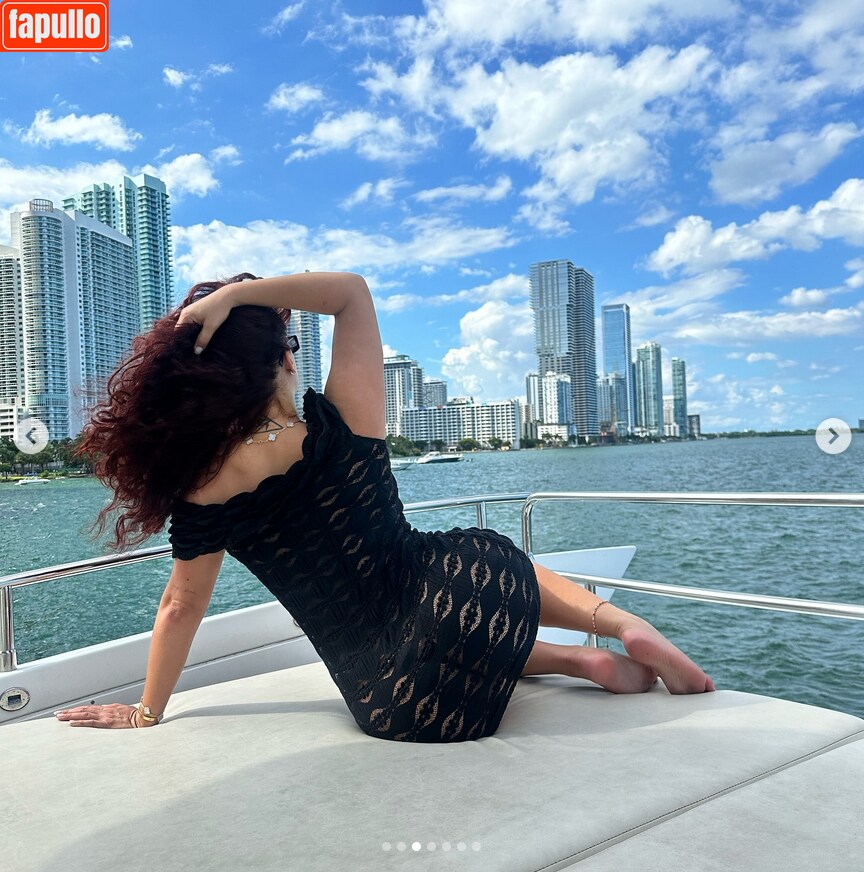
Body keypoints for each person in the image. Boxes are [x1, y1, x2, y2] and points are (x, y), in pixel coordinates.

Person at [56, 271, 714, 740]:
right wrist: (238, 295)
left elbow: (180, 607)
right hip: (473, 596)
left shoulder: (201, 486)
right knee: (474, 554)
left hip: (393, 702)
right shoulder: (341, 420)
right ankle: (618, 627)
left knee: (416, 636)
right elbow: (351, 293)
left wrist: (147, 710)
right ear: (285, 359)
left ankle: (575, 661)